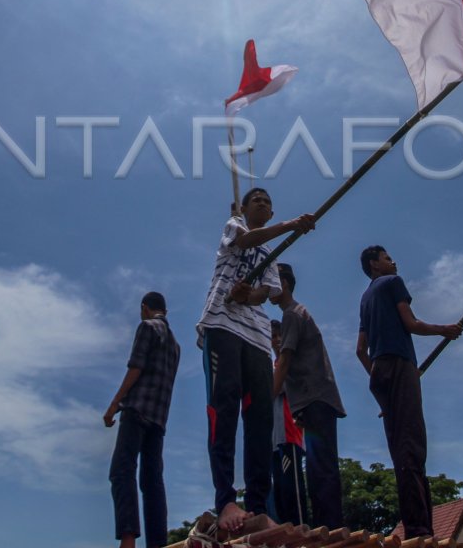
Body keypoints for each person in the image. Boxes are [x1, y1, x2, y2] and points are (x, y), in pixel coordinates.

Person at [196, 187, 315, 533]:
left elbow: (266, 292)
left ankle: (259, 504)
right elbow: (246, 243)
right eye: (256, 200)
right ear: (244, 208)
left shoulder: (271, 254)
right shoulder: (234, 226)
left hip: (257, 337)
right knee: (224, 408)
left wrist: (248, 296)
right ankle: (226, 500)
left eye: (267, 201)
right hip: (221, 325)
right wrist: (292, 225)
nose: (262, 203)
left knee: (260, 418)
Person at [356, 246, 461, 539]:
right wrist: (445, 330)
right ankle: (419, 530)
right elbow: (410, 324)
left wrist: (383, 387)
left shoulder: (365, 299)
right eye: (388, 258)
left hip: (381, 372)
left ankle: (420, 526)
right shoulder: (392, 283)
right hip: (399, 366)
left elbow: (360, 351)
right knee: (412, 449)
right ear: (375, 264)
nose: (394, 261)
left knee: (401, 449)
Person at [272, 263, 347, 529]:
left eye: (272, 281)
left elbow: (285, 359)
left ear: (284, 284)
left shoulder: (292, 314)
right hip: (313, 400)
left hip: (317, 398)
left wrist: (268, 396)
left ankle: (330, 528)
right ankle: (327, 526)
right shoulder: (296, 313)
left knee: (321, 469)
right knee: (318, 467)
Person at [105, 291, 181, 548]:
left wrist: (115, 403)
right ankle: (157, 542)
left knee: (121, 470)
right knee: (152, 480)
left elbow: (135, 367)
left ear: (144, 308)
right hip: (159, 419)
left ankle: (128, 538)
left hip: (137, 410)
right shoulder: (175, 345)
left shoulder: (147, 327)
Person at [268, 319, 308, 525]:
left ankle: (302, 534)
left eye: (277, 336)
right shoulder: (274, 367)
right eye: (271, 336)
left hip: (289, 433)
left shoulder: (288, 363)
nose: (274, 340)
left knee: (293, 490)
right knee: (281, 493)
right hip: (275, 438)